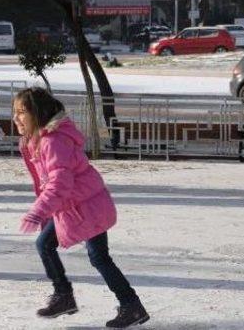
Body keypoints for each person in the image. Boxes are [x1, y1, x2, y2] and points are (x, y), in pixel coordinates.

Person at [13, 87, 149, 328]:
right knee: (46, 244)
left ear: (37, 113)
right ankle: (64, 296)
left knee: (99, 258)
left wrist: (38, 211)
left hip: (88, 207)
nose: (16, 118)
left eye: (21, 112)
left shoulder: (53, 141)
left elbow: (59, 184)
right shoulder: (41, 140)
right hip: (74, 206)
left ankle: (131, 305)